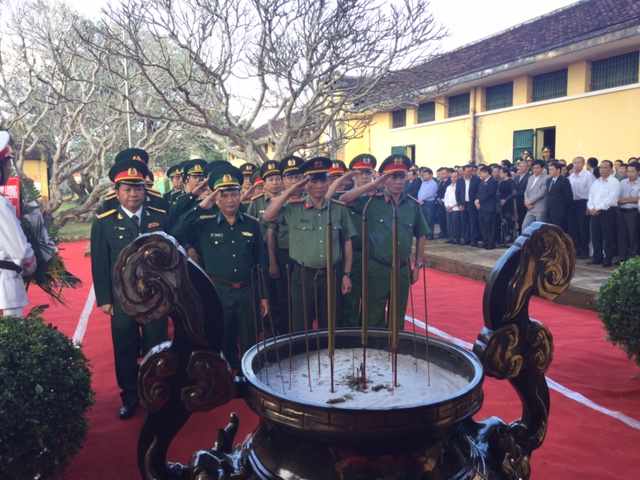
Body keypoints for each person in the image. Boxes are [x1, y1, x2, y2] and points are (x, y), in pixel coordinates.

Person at [90, 155, 169, 419]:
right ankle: (130, 396)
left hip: (155, 296)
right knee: (124, 346)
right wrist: (104, 298)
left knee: (156, 345)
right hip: (121, 296)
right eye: (127, 189)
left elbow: (170, 256)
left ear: (145, 189)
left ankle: (155, 393)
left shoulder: (159, 217)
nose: (134, 194)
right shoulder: (104, 221)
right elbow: (100, 262)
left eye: (138, 188)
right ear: (117, 192)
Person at [171, 163, 268, 369]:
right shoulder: (204, 222)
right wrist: (200, 207)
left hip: (247, 291)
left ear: (240, 195)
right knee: (222, 338)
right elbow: (176, 233)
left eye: (234, 194)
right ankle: (224, 376)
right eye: (223, 195)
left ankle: (248, 377)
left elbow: (261, 261)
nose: (230, 200)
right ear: (215, 197)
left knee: (250, 339)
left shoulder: (251, 223)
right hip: (218, 291)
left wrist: (263, 295)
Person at [263, 157, 355, 332]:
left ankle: (327, 352)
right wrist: (289, 191)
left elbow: (347, 242)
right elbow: (268, 216)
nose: (319, 185)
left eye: (323, 180)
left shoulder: (338, 209)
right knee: (301, 326)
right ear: (305, 184)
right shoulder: (293, 208)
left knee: (330, 325)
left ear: (329, 182)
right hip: (302, 276)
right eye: (314, 181)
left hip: (331, 275)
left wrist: (346, 274)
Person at [340, 154, 427, 329]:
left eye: (402, 177)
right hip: (377, 267)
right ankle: (374, 345)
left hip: (402, 268)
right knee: (373, 316)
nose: (398, 182)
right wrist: (373, 185)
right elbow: (343, 200)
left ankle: (395, 345)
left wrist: (417, 266)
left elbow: (421, 235)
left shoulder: (412, 205)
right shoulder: (371, 201)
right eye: (393, 177)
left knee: (397, 316)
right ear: (383, 178)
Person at [265, 155, 305, 335]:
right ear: (283, 180)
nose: (294, 181)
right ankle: (287, 336)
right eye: (290, 178)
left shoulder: (311, 198)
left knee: (305, 299)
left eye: (297, 177)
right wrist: (273, 261)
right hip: (285, 255)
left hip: (306, 256)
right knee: (285, 298)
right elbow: (271, 232)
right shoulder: (279, 203)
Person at [0, 131, 37, 317]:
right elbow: (21, 252)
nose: (9, 169)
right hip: (4, 286)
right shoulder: (1, 204)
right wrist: (32, 266)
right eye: (7, 164)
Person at [587, 160, 620, 267]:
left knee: (608, 237)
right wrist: (591, 207)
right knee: (596, 235)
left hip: (608, 212)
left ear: (611, 169)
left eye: (605, 168)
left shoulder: (614, 182)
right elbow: (591, 196)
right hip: (594, 212)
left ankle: (607, 259)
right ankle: (597, 257)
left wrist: (597, 208)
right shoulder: (596, 182)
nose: (602, 170)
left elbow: (611, 199)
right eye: (601, 168)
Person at [567, 156, 595, 259]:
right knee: (573, 228)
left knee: (583, 228)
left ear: (583, 164)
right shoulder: (570, 177)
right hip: (572, 204)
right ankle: (576, 249)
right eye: (575, 163)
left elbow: (592, 191)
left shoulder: (588, 175)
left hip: (583, 203)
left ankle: (584, 251)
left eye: (579, 163)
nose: (577, 165)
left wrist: (589, 206)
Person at [616, 161, 640, 264]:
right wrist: (625, 199)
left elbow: (638, 198)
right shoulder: (622, 182)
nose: (630, 174)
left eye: (632, 171)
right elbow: (618, 197)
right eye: (628, 171)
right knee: (621, 236)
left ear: (638, 172)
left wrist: (626, 199)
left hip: (633, 212)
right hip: (621, 211)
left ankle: (633, 258)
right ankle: (622, 257)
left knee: (633, 235)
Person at [455, 164, 481, 246]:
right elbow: (457, 193)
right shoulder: (459, 181)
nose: (470, 173)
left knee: (473, 222)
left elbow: (478, 192)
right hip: (463, 204)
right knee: (464, 222)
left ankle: (473, 240)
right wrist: (459, 204)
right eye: (468, 171)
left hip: (472, 203)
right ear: (463, 171)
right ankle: (466, 238)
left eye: (471, 171)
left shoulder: (476, 180)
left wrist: (477, 201)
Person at [474, 165, 499, 250]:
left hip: (489, 207)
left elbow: (489, 194)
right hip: (481, 207)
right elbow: (478, 192)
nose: (480, 174)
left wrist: (479, 200)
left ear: (486, 172)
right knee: (483, 226)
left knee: (490, 226)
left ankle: (491, 242)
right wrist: (477, 200)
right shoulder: (482, 181)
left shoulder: (493, 181)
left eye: (481, 173)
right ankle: (485, 241)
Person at [545, 161, 573, 232]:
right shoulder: (548, 180)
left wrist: (563, 209)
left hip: (560, 211)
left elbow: (569, 196)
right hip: (549, 210)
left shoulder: (564, 181)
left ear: (558, 170)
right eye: (549, 169)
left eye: (552, 169)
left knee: (559, 230)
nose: (550, 171)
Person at [522, 159, 548, 230]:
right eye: (534, 168)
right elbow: (526, 191)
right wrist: (527, 202)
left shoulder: (547, 178)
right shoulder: (530, 177)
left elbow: (541, 193)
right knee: (525, 227)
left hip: (540, 208)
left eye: (537, 168)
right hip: (530, 208)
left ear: (542, 168)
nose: (535, 170)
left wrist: (529, 201)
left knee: (540, 229)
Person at [497, 166, 517, 244]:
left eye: (501, 172)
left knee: (510, 221)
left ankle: (510, 239)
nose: (499, 174)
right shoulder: (501, 182)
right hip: (502, 204)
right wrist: (500, 200)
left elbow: (514, 193)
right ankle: (503, 239)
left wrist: (506, 200)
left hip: (509, 204)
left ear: (505, 173)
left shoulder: (511, 182)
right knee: (503, 221)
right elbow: (499, 193)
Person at [417, 167, 437, 240]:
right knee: (424, 219)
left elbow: (430, 194)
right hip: (422, 202)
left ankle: (430, 234)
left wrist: (421, 199)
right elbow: (420, 192)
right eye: (424, 175)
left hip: (429, 203)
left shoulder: (434, 183)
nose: (425, 176)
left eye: (427, 174)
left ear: (431, 175)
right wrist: (419, 199)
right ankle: (425, 234)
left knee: (429, 219)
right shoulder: (423, 183)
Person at [512, 160, 530, 234]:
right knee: (517, 220)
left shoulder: (529, 177)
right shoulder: (516, 177)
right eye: (520, 166)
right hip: (516, 201)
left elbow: (526, 189)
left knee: (523, 219)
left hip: (524, 200)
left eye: (524, 166)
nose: (522, 168)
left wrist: (515, 194)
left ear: (527, 167)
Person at [444, 171, 461, 244]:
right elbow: (446, 197)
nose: (453, 178)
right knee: (449, 224)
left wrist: (451, 205)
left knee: (456, 224)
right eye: (452, 177)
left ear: (458, 177)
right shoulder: (448, 187)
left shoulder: (459, 186)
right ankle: (450, 237)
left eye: (455, 177)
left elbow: (458, 198)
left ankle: (456, 238)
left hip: (456, 208)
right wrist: (446, 205)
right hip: (448, 208)